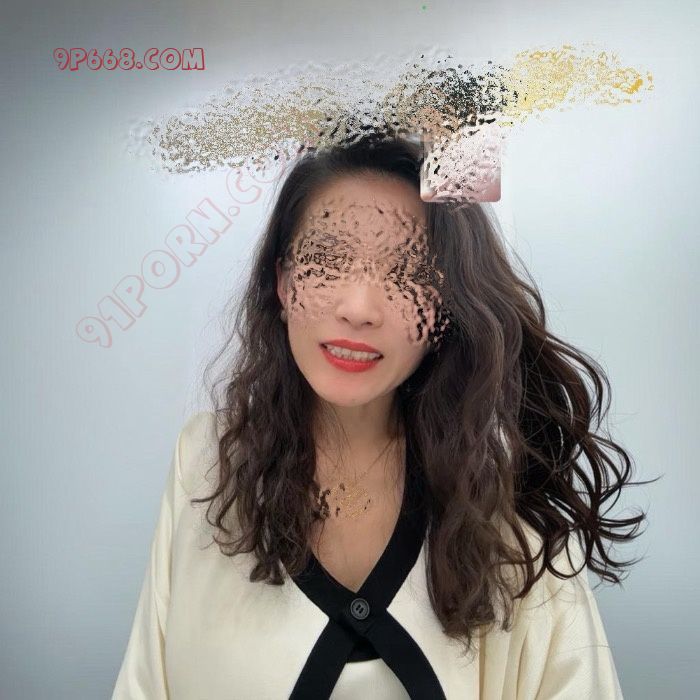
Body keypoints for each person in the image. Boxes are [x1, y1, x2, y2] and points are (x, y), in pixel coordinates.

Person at [112, 133, 652, 699]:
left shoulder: (513, 512)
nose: (358, 309)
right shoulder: (205, 460)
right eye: (327, 261)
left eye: (407, 274)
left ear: (447, 308)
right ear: (282, 281)